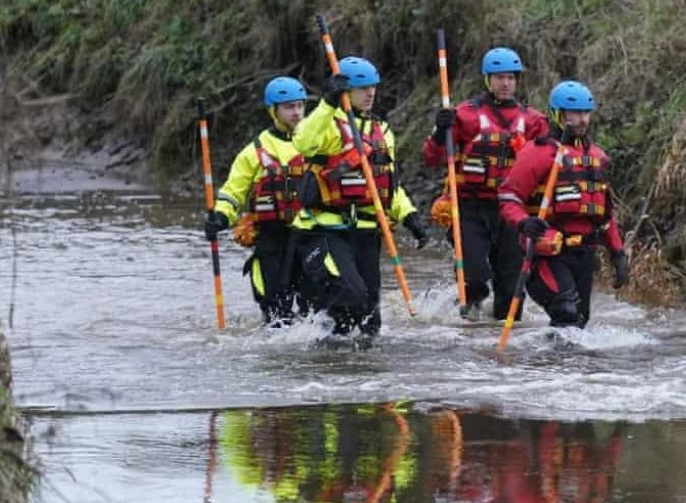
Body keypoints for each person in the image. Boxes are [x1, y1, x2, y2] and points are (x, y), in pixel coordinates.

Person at [292, 56, 429, 336]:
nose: (370, 93)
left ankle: (348, 361)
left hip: (367, 229)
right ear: (346, 91)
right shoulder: (329, 121)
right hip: (328, 227)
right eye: (362, 88)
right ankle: (317, 331)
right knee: (351, 292)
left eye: (373, 87)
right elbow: (303, 142)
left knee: (369, 317)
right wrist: (328, 103)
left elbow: (388, 184)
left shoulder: (383, 131)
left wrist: (409, 216)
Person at [423, 47, 550, 321]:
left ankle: (502, 338)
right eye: (499, 78)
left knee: (510, 287)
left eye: (511, 78)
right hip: (470, 207)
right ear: (487, 80)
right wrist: (439, 131)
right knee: (475, 277)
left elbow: (549, 162)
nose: (505, 84)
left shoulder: (533, 121)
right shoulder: (464, 115)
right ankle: (467, 318)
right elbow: (433, 158)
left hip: (512, 210)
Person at [497, 80, 628, 328]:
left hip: (584, 252)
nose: (582, 120)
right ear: (558, 114)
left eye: (586, 113)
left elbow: (605, 213)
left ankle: (559, 366)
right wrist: (524, 222)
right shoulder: (538, 152)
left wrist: (617, 252)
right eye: (575, 113)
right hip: (547, 252)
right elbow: (509, 197)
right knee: (565, 311)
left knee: (579, 321)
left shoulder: (597, 157)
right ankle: (545, 364)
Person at [204, 76, 309, 325]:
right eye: (288, 107)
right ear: (274, 111)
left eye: (300, 106)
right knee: (275, 315)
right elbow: (233, 192)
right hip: (271, 239)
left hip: (309, 236)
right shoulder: (253, 152)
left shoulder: (316, 144)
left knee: (314, 313)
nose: (296, 112)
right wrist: (220, 216)